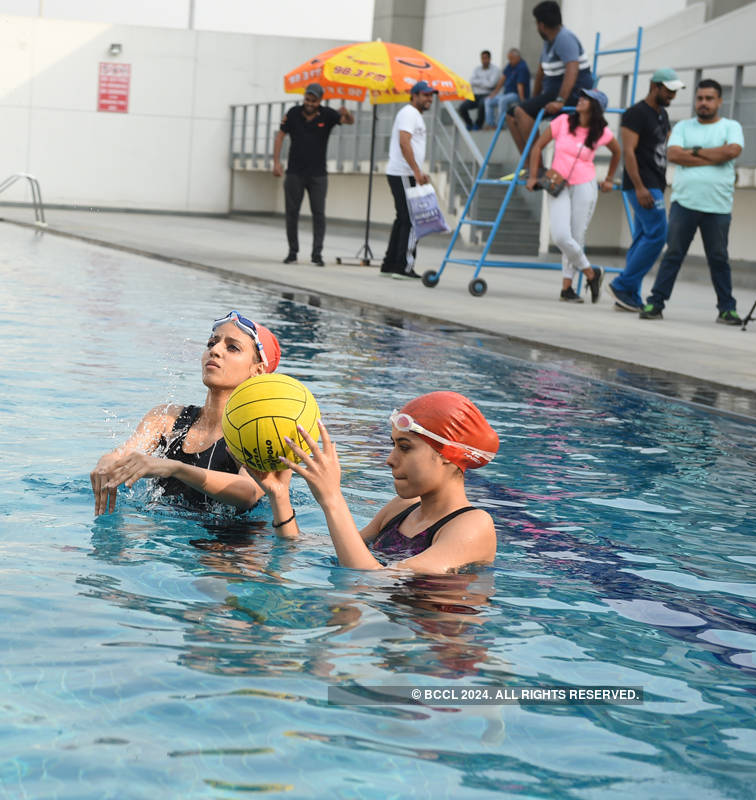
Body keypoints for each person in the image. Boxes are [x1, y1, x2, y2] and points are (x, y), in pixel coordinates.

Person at [250, 391, 500, 574]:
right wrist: (279, 495)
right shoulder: (402, 508)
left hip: (425, 641)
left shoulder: (472, 526)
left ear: (447, 455)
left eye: (404, 447)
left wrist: (331, 498)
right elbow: (328, 548)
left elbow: (372, 581)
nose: (390, 460)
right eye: (394, 446)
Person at [90, 310, 284, 517]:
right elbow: (124, 454)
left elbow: (250, 492)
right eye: (211, 343)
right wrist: (108, 461)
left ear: (258, 371)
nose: (216, 350)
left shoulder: (257, 434)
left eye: (232, 347)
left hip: (229, 543)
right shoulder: (166, 418)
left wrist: (176, 468)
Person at [639, 79, 745, 324]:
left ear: (719, 101)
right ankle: (656, 303)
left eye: (709, 98)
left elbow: (732, 152)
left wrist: (694, 152)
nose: (704, 103)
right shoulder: (684, 127)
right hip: (684, 203)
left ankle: (727, 309)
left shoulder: (731, 126)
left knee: (718, 258)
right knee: (673, 254)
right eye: (700, 98)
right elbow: (674, 154)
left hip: (717, 206)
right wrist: (713, 155)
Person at [526, 88, 621, 302]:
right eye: (581, 97)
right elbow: (538, 147)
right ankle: (591, 273)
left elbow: (617, 152)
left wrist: (609, 178)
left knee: (577, 236)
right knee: (561, 236)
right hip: (557, 183)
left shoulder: (602, 132)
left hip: (585, 185)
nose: (580, 100)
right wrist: (533, 176)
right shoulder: (562, 121)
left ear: (595, 106)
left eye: (586, 99)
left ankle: (566, 289)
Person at [608, 68, 684, 311]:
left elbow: (669, 143)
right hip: (642, 184)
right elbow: (628, 152)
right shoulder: (635, 114)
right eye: (669, 91)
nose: (672, 96)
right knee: (658, 235)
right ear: (655, 86)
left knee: (642, 237)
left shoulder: (661, 114)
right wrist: (640, 187)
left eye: (674, 92)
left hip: (655, 183)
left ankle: (628, 294)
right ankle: (623, 284)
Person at [272, 83, 354, 266]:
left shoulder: (328, 115)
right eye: (307, 99)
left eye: (313, 100)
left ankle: (317, 254)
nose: (309, 103)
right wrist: (276, 162)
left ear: (320, 101)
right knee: (292, 213)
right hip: (294, 172)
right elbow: (280, 136)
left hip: (318, 174)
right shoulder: (293, 113)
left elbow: (350, 121)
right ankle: (292, 252)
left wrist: (346, 112)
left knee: (319, 214)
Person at [507, 1, 593, 158]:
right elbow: (541, 72)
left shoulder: (564, 38)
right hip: (553, 92)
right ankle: (528, 165)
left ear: (541, 25)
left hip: (574, 94)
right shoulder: (548, 42)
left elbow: (572, 69)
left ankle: (537, 168)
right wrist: (534, 99)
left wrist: (560, 100)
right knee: (511, 115)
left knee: (521, 112)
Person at [381, 81, 436, 279]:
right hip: (403, 172)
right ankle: (403, 267)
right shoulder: (409, 113)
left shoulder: (413, 115)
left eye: (431, 95)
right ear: (414, 95)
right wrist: (416, 172)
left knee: (403, 218)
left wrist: (418, 171)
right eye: (425, 95)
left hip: (404, 172)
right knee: (412, 220)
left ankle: (389, 264)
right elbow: (404, 142)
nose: (429, 99)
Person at [485, 48, 531, 130]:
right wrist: (495, 92)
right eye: (509, 59)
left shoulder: (522, 67)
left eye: (511, 59)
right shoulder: (510, 65)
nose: (510, 61)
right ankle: (490, 124)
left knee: (502, 100)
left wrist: (522, 101)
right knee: (488, 100)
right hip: (506, 93)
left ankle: (501, 125)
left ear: (518, 57)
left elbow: (520, 85)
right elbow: (502, 79)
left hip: (516, 94)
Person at [458, 50, 502, 130]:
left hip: (487, 94)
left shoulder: (495, 70)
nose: (484, 60)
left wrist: (478, 81)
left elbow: (491, 84)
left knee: (482, 104)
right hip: (475, 94)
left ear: (489, 59)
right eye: (482, 58)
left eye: (486, 58)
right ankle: (469, 124)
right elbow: (471, 81)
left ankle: (478, 125)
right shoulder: (477, 69)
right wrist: (485, 81)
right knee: (462, 107)